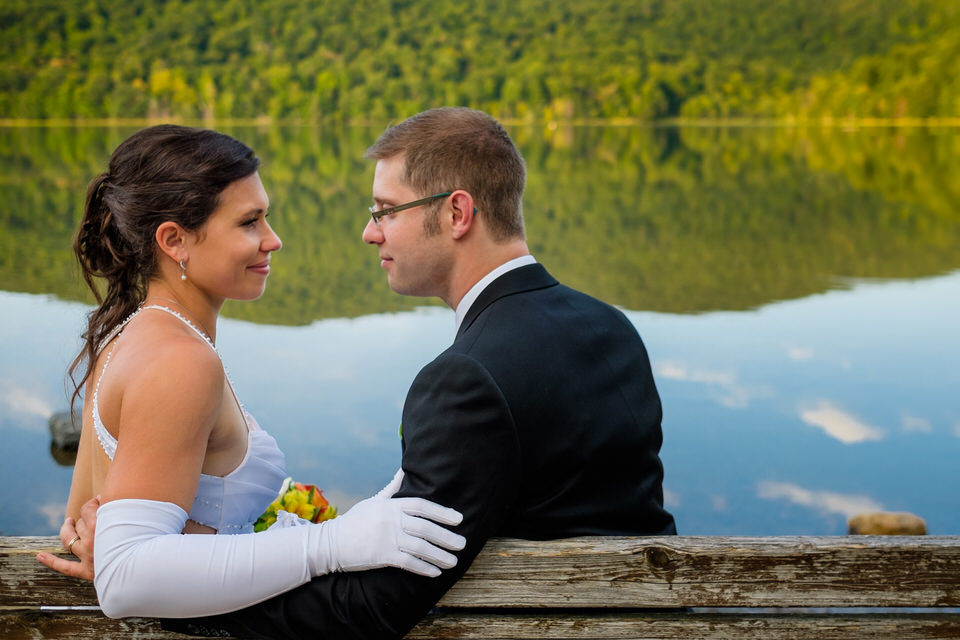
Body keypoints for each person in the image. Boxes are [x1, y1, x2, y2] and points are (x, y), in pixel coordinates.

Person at [164, 107, 675, 638]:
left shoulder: (467, 380)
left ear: (457, 213)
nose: (369, 232)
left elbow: (375, 605)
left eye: (386, 210)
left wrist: (187, 594)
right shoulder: (609, 327)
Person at [36, 124, 466, 618]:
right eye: (249, 222)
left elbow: (80, 521)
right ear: (174, 240)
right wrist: (329, 544)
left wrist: (121, 546)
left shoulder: (123, 336)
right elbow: (125, 578)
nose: (273, 240)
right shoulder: (180, 361)